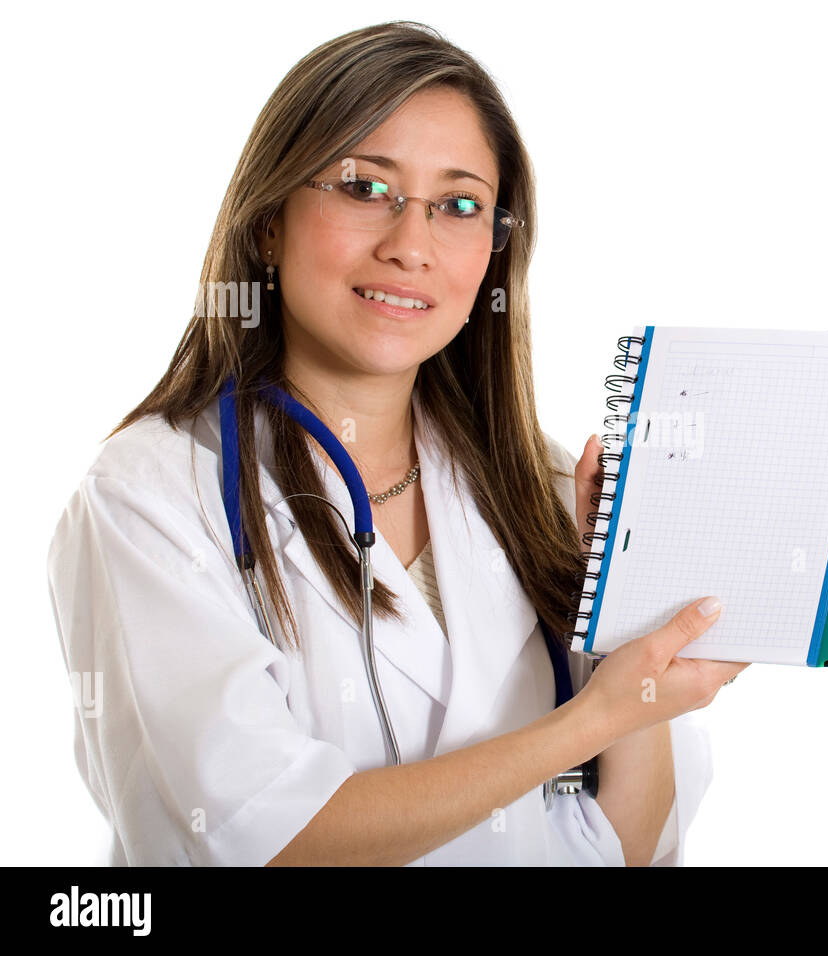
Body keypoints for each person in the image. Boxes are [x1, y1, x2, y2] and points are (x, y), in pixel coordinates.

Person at [45, 20, 746, 867]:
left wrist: (618, 610)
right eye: (362, 188)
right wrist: (593, 717)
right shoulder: (154, 495)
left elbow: (626, 846)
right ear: (269, 222)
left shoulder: (546, 485)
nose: (410, 246)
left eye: (458, 206)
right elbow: (273, 841)